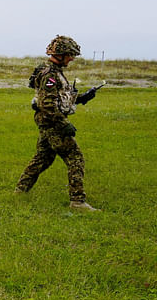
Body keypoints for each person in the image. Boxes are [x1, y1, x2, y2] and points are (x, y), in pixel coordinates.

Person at [15, 35, 99, 211]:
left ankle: (20, 192)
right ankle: (77, 202)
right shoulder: (50, 75)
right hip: (52, 123)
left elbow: (60, 100)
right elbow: (47, 105)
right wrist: (63, 124)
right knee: (75, 157)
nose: (72, 58)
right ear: (60, 53)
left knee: (42, 159)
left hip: (48, 123)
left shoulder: (52, 71)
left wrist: (82, 98)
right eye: (70, 54)